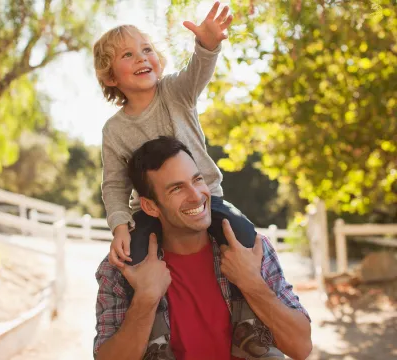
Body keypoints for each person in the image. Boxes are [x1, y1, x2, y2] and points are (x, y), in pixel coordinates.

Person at [92, 4, 281, 357]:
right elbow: (114, 185)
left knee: (243, 237)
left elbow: (199, 71)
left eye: (146, 49)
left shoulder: (175, 92)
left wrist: (208, 45)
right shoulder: (114, 130)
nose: (141, 58)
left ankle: (247, 326)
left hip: (208, 197)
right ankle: (157, 340)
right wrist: (120, 225)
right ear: (110, 77)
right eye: (127, 55)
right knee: (134, 258)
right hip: (151, 212)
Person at [93, 137, 312, 360]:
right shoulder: (121, 268)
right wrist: (145, 299)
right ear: (150, 206)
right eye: (177, 188)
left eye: (197, 180)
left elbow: (301, 347)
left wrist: (252, 283)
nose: (196, 195)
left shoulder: (252, 249)